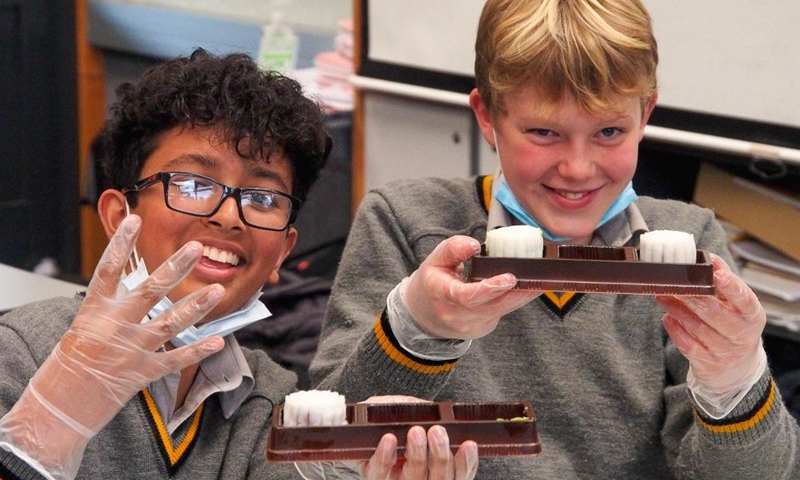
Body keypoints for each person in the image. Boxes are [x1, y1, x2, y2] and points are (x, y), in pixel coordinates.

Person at [309, 0, 800, 478]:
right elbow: (325, 450)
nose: (577, 169)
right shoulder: (404, 223)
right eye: (544, 132)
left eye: (609, 131)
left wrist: (737, 383)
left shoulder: (693, 242)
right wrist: (413, 330)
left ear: (645, 115)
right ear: (487, 117)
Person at [0, 49, 477, 480]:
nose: (229, 216)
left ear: (282, 253)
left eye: (263, 196)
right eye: (191, 185)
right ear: (118, 216)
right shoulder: (20, 354)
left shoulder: (264, 401)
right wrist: (33, 443)